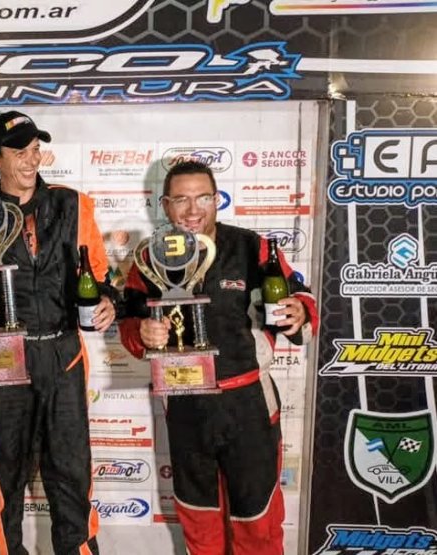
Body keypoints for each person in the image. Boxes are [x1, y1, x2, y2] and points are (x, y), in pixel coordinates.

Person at [119, 160, 318, 555]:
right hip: (185, 405)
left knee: (257, 521)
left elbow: (300, 298)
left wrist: (299, 312)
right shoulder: (148, 258)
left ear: (217, 200)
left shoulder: (251, 247)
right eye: (181, 199)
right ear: (165, 205)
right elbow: (129, 322)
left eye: (203, 198)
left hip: (247, 404)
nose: (193, 210)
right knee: (199, 520)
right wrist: (143, 335)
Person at [0, 110, 116, 555]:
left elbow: (98, 276)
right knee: (7, 483)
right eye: (19, 151)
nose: (30, 159)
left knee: (72, 477)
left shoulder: (74, 204)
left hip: (64, 354)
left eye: (35, 148)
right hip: (3, 359)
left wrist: (107, 301)